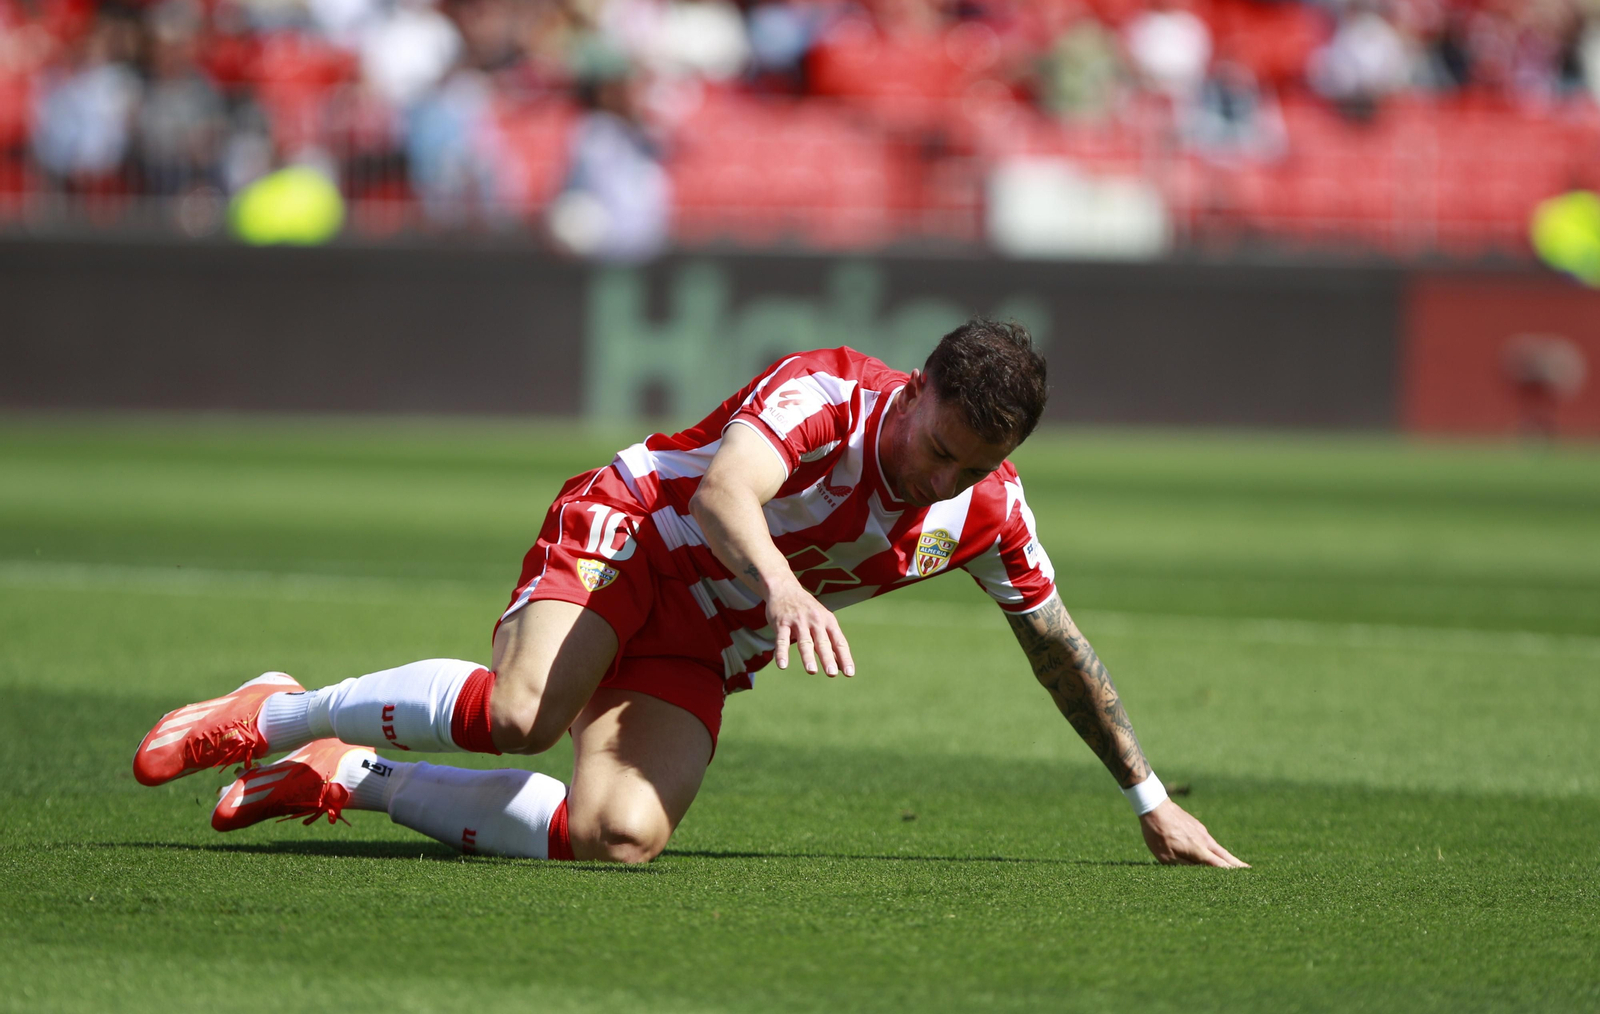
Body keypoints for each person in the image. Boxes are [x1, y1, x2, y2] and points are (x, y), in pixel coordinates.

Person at [133, 320, 1248, 869]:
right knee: (524, 716)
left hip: (705, 638)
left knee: (618, 836)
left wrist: (1150, 801)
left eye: (968, 465)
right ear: (913, 390)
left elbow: (1058, 646)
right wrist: (781, 587)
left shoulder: (988, 512)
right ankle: (277, 711)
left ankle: (346, 773)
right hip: (638, 537)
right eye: (935, 444)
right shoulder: (826, 390)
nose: (938, 476)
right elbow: (723, 492)